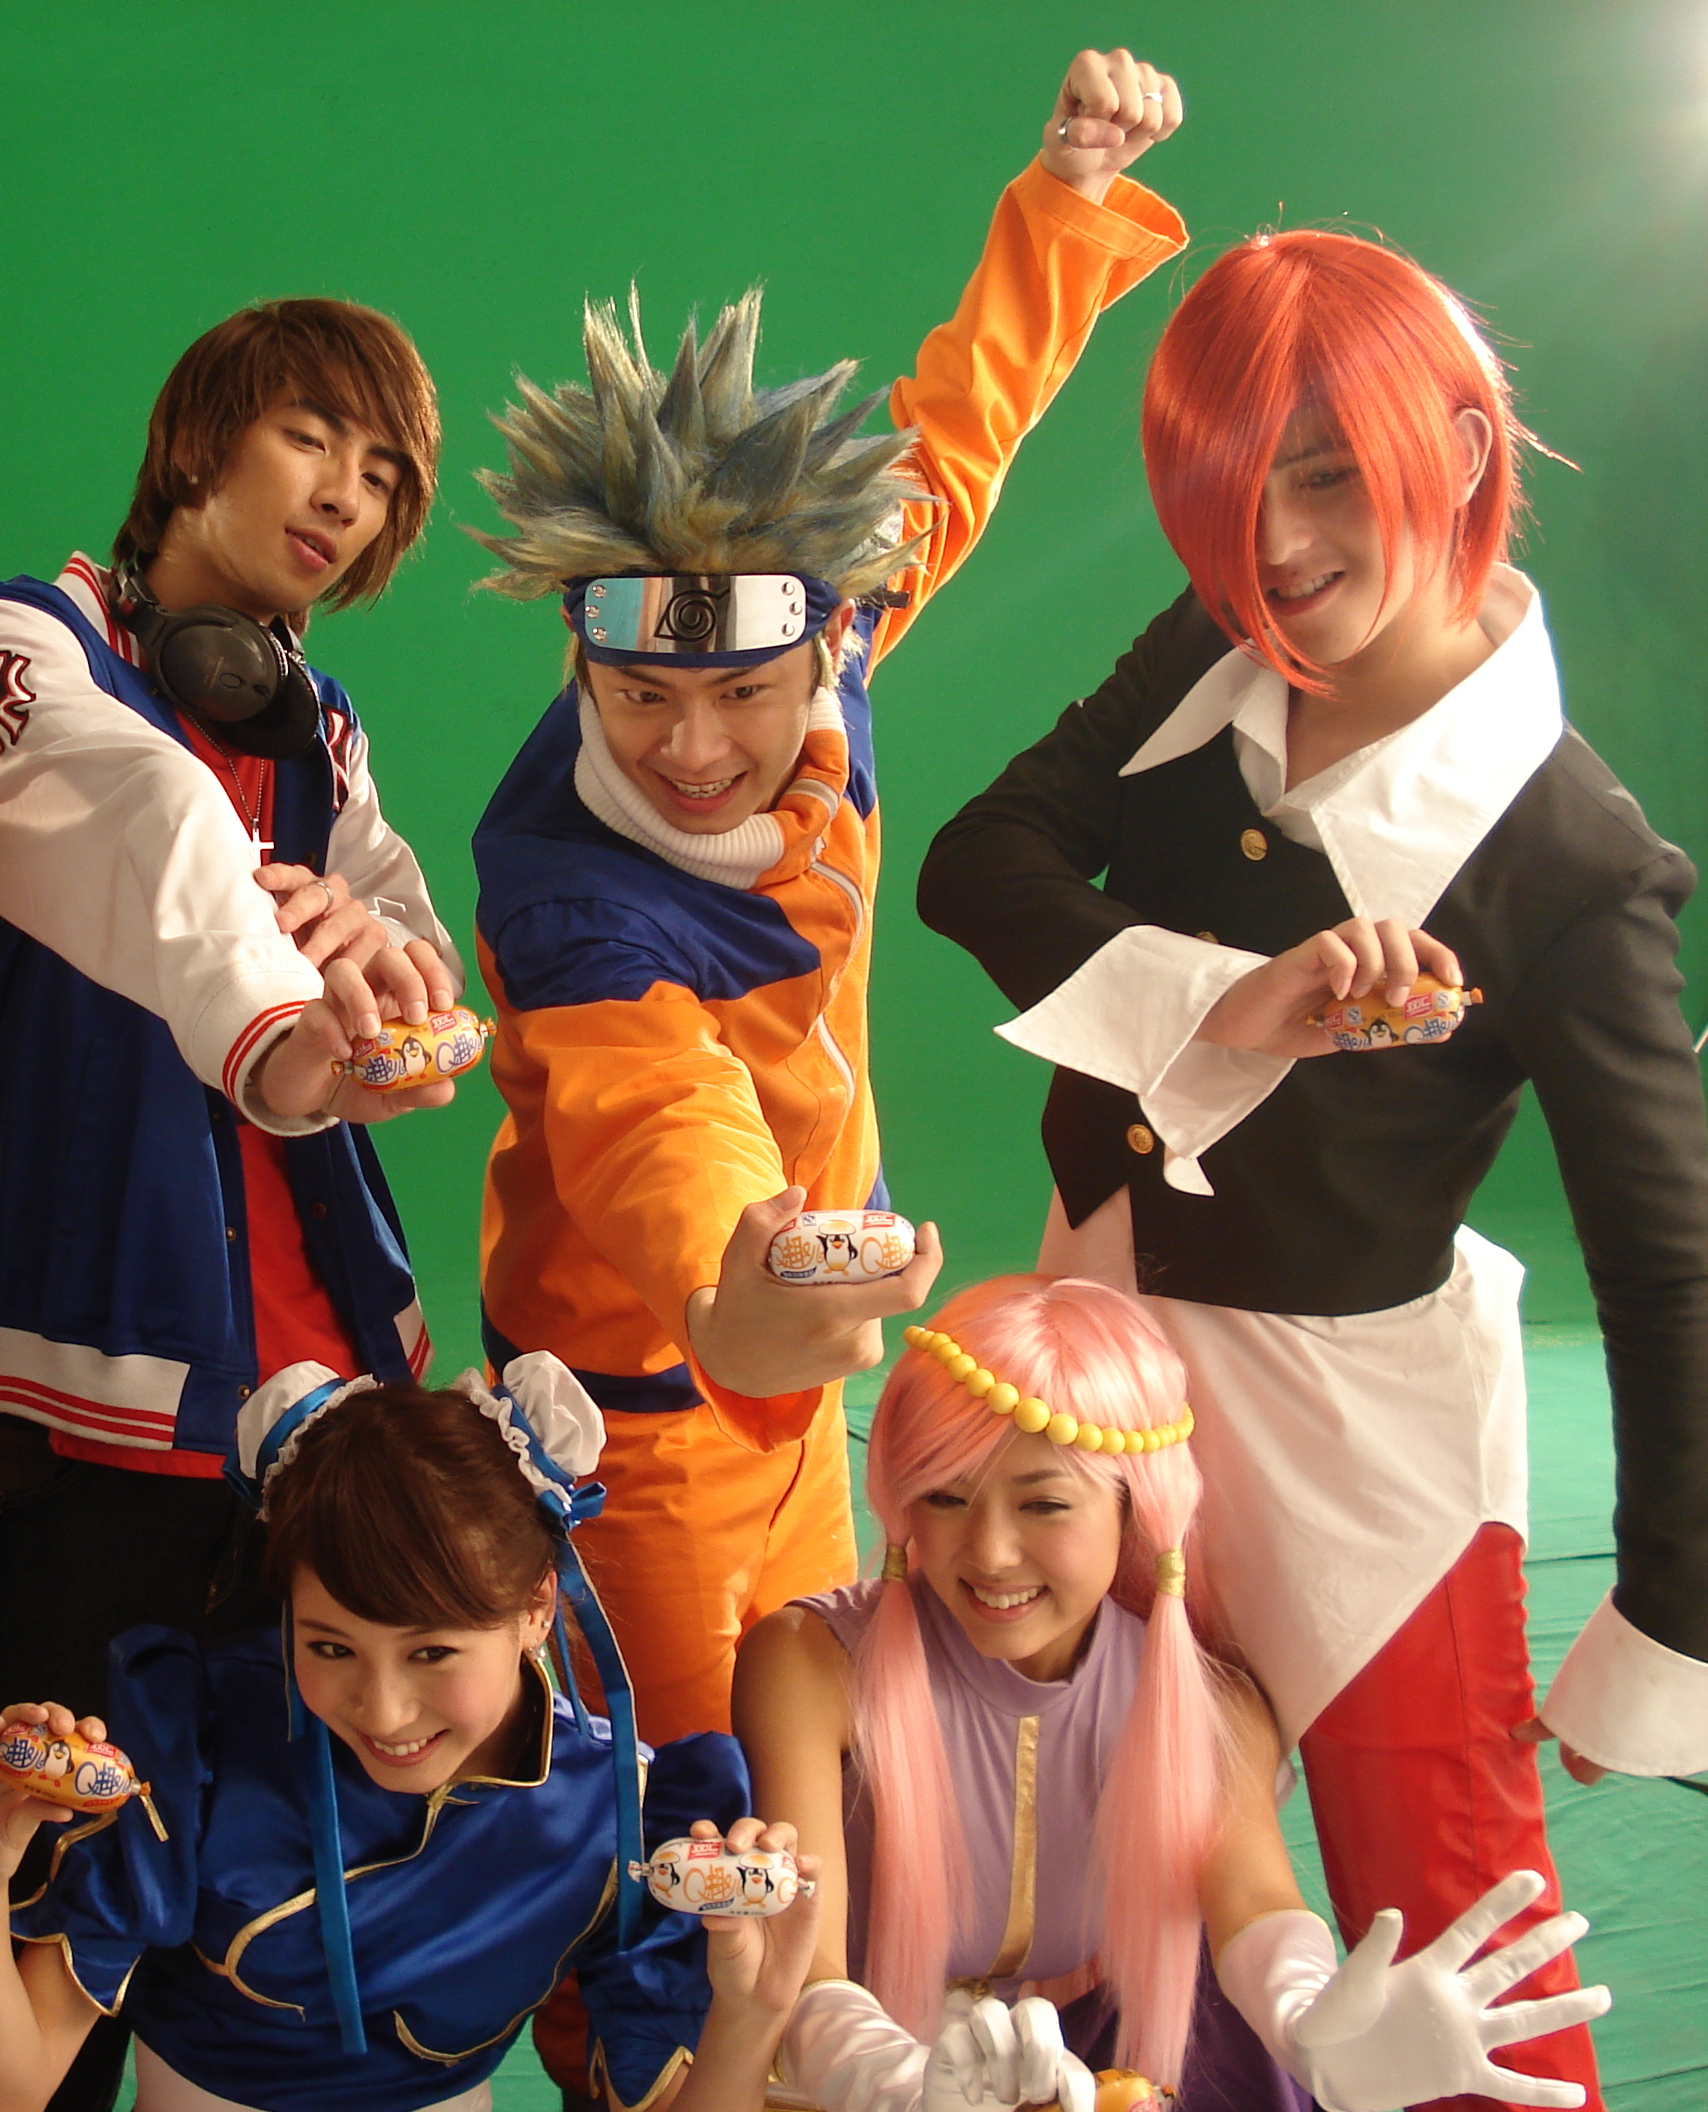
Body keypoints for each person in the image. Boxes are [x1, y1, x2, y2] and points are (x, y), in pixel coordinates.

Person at [914, 228, 1708, 2111]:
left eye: (1332, 473)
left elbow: (1669, 1266)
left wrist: (1669, 1613)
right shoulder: (1214, 640)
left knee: (1457, 1983)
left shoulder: (1573, 855)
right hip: (1096, 1374)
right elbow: (977, 856)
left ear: (1461, 443)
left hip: (1366, 1469)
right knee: (1078, 1906)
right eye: (1226, 491)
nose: (1273, 545)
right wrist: (1224, 996)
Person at [468, 47, 1190, 1757]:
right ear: (584, 659)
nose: (694, 749)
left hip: (803, 1359)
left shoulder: (832, 635)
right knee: (686, 1806)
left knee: (837, 1761)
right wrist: (744, 1290)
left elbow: (958, 431)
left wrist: (1067, 200)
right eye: (640, 698)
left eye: (744, 694)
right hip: (637, 1415)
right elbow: (658, 1120)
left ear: (828, 640)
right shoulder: (572, 903)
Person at [0, 302, 458, 1727]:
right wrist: (287, 1030)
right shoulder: (5, 647)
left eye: (382, 475)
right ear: (199, 444)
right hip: (107, 1406)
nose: (345, 495)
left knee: (337, 1813)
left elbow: (412, 934)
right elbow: (148, 810)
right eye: (311, 438)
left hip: (345, 1381)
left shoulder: (316, 721)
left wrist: (381, 957)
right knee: (59, 1815)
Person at [736, 1276, 1606, 2112]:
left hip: (1101, 2059)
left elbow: (1254, 1905)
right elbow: (803, 1972)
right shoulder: (810, 1665)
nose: (991, 1552)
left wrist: (1307, 2021)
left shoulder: (1210, 1702)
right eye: (945, 1497)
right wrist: (903, 2091)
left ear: (1135, 1508)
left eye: (1044, 1505)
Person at [0, 1359, 829, 2112]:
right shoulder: (198, 1747)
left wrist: (753, 2011)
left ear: (535, 1607)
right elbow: (6, 2092)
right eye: (331, 1647)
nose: (384, 1711)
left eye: (432, 1652)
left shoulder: (622, 1813)